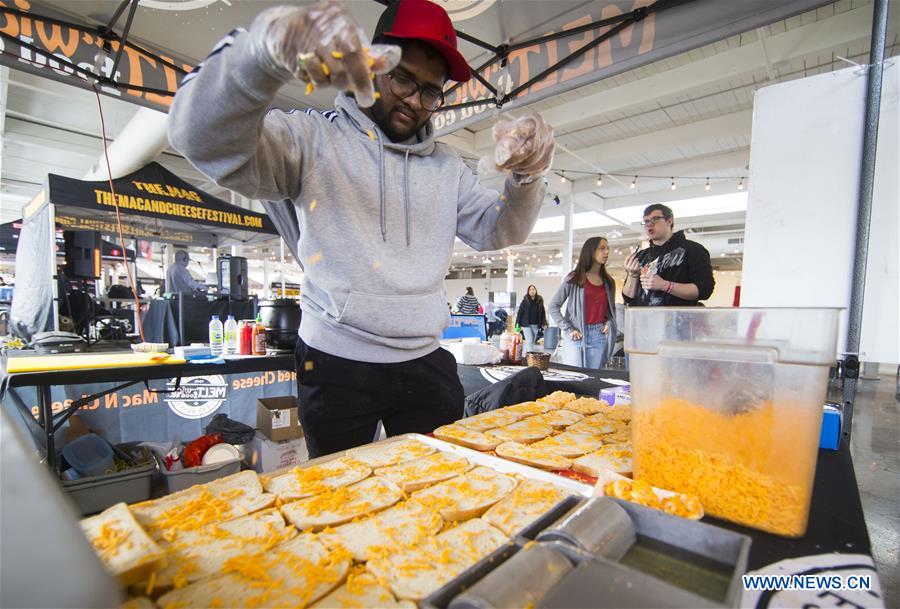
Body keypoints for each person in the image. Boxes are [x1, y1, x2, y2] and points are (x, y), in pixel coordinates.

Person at [168, 0, 554, 458]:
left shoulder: (449, 167)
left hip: (424, 358)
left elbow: (499, 230)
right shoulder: (311, 139)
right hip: (336, 359)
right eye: (403, 78)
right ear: (372, 66)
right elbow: (201, 140)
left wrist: (526, 178)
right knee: (338, 490)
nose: (415, 100)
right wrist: (256, 59)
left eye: (431, 91)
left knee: (442, 481)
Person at [622, 204, 714, 307]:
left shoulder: (693, 250)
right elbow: (628, 298)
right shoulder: (641, 256)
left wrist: (666, 285)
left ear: (669, 221)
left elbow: (705, 290)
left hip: (678, 320)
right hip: (644, 320)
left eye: (655, 219)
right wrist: (632, 275)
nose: (649, 224)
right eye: (646, 221)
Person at [549, 237, 618, 369]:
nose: (607, 252)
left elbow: (611, 312)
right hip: (576, 336)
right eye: (602, 248)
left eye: (608, 248)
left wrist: (609, 323)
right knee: (575, 378)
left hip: (598, 336)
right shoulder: (574, 278)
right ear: (591, 251)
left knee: (592, 380)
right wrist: (568, 329)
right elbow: (553, 306)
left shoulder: (609, 282)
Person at [516, 284, 547, 353]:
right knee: (529, 340)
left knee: (532, 341)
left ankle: (525, 354)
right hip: (526, 324)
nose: (532, 291)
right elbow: (520, 313)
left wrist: (544, 323)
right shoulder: (525, 301)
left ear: (536, 290)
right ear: (528, 291)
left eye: (533, 289)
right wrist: (517, 325)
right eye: (530, 289)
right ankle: (530, 355)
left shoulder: (540, 300)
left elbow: (543, 313)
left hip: (535, 324)